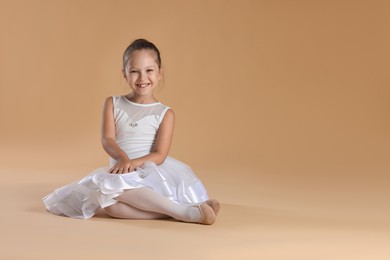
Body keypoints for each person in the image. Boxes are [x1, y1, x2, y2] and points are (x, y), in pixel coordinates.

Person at [42, 39, 220, 225]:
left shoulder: (165, 113)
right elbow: (107, 139)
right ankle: (182, 211)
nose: (142, 78)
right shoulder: (113, 103)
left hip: (150, 172)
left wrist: (132, 164)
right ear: (125, 74)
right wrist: (122, 159)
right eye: (134, 71)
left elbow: (159, 155)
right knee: (110, 206)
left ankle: (185, 212)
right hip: (121, 168)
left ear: (160, 73)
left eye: (149, 70)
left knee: (110, 190)